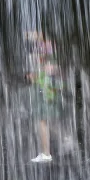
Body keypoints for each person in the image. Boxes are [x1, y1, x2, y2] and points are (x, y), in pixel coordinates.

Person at [26, 31, 61, 163]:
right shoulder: (45, 46)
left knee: (42, 119)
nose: (28, 34)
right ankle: (66, 139)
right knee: (45, 119)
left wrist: (34, 76)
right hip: (47, 86)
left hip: (46, 87)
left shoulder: (45, 46)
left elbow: (49, 68)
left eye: (31, 32)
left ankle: (46, 153)